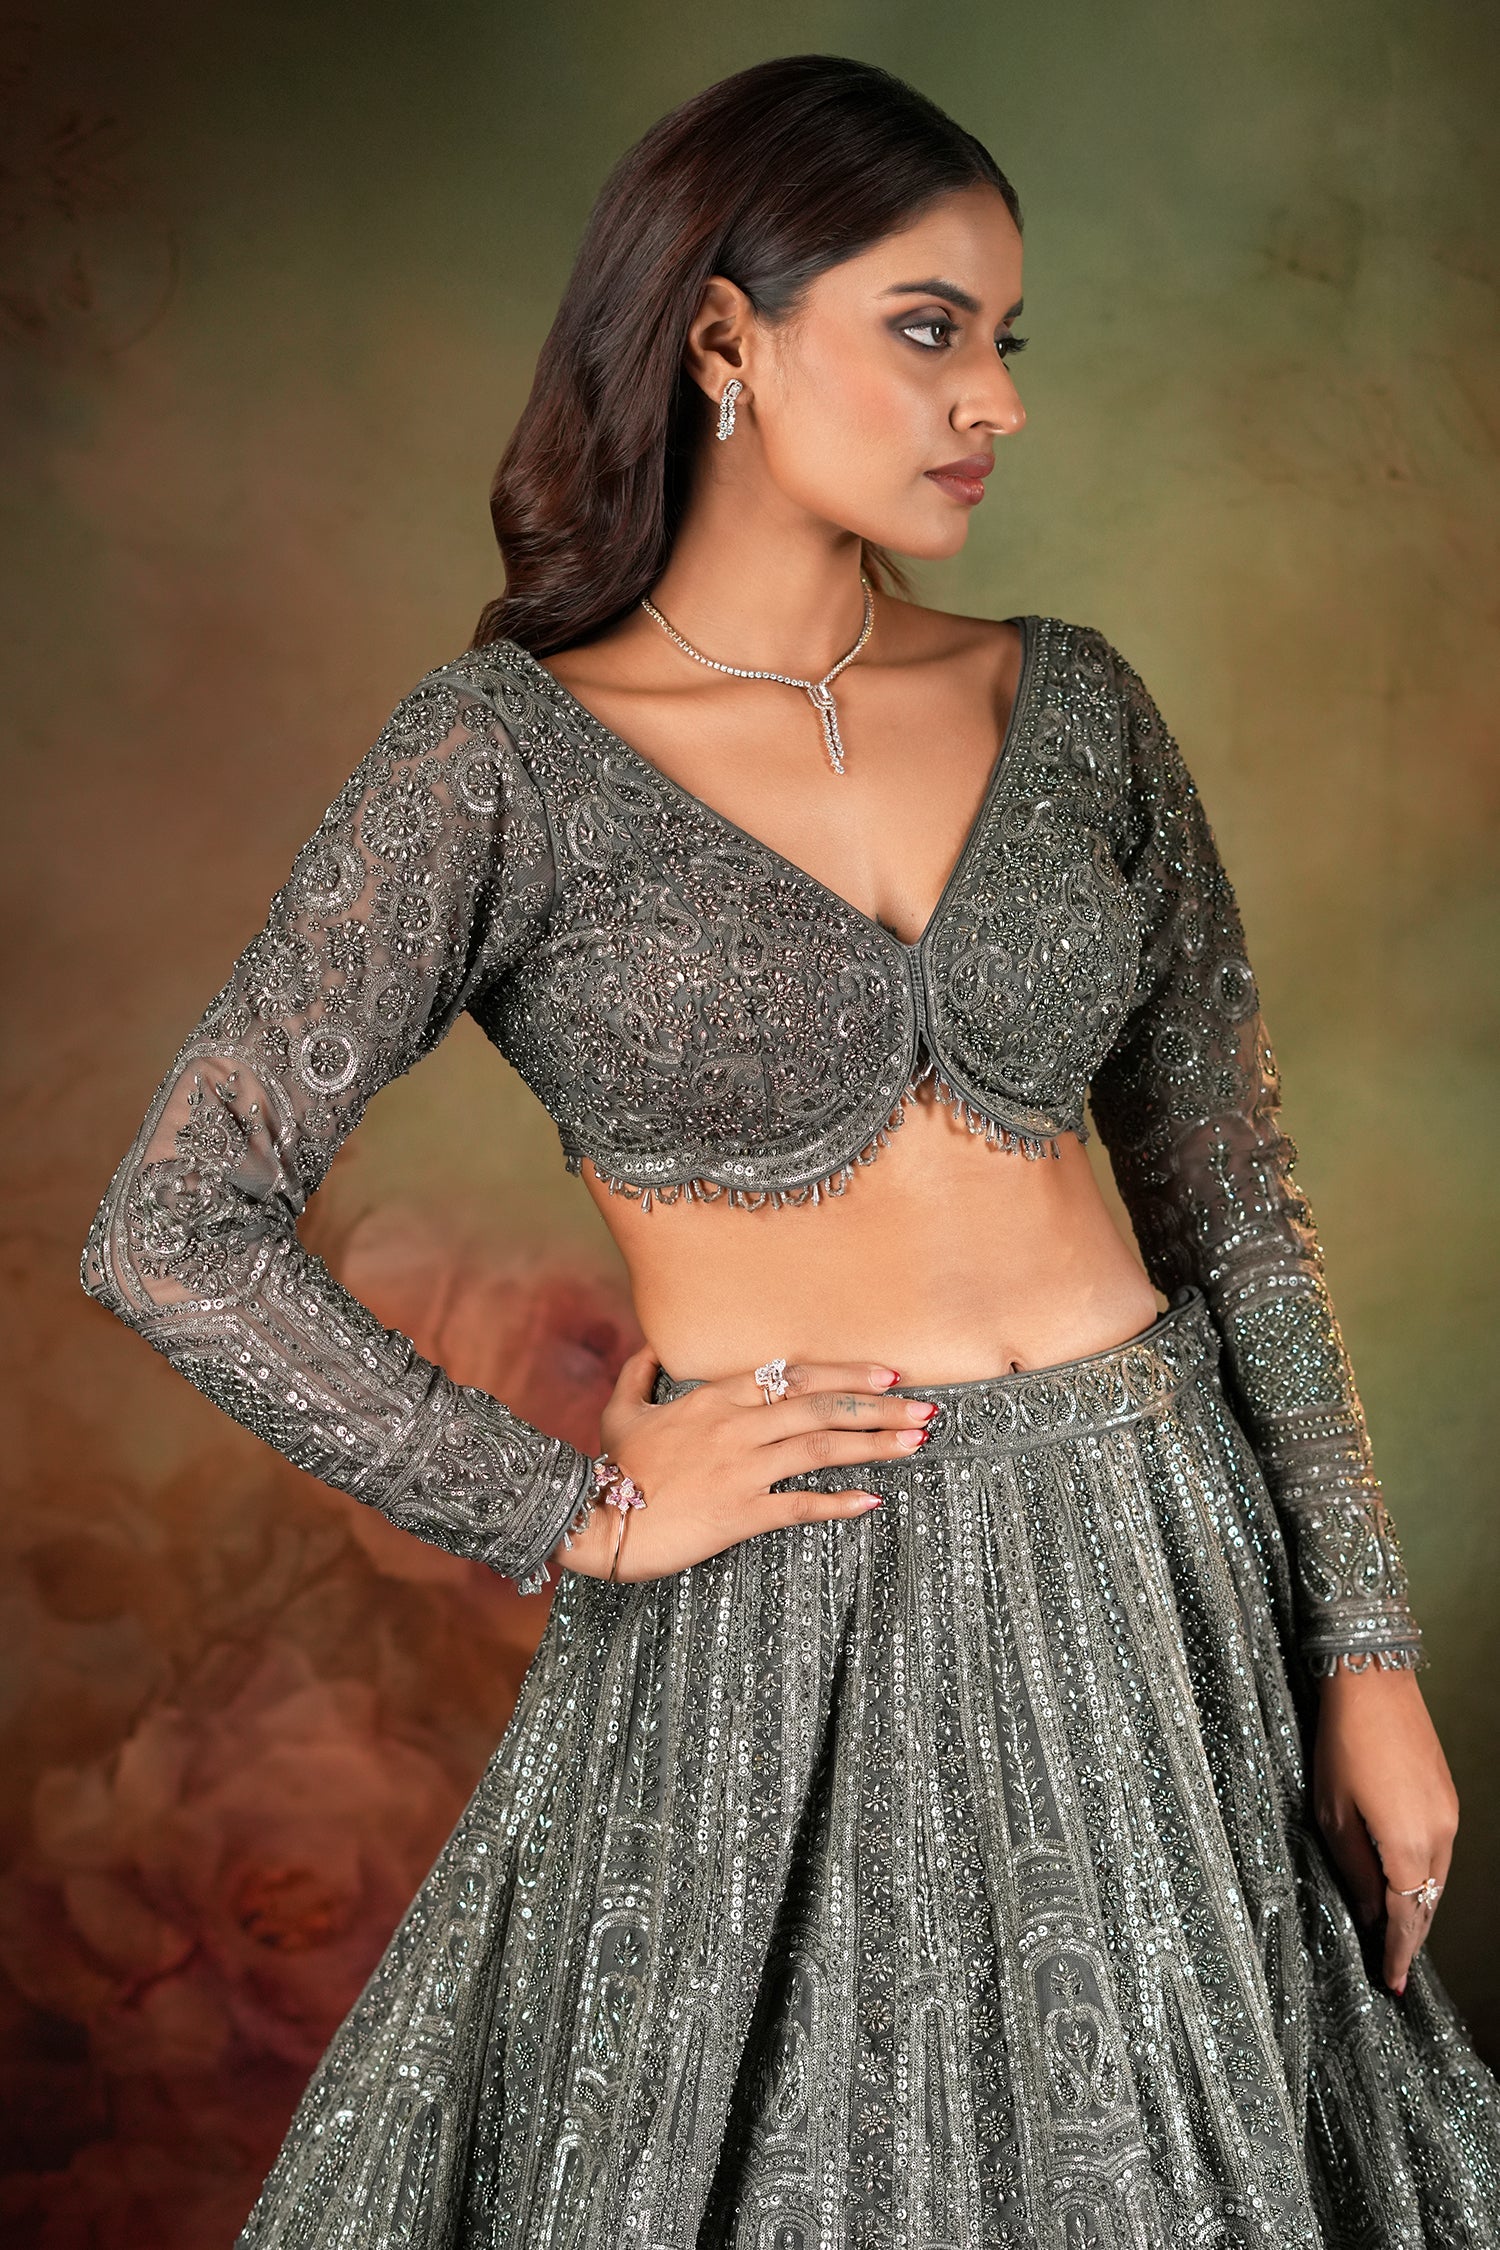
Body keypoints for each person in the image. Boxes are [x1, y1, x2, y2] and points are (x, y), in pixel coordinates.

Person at [80, 52, 1498, 2250]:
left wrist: (1366, 1651)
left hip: (1155, 1575)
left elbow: (1238, 1211)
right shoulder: (504, 759)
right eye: (929, 329)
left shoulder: (1074, 704)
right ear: (724, 337)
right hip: (782, 1612)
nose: (994, 400)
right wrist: (569, 1505)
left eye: (1005, 338)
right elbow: (175, 1224)